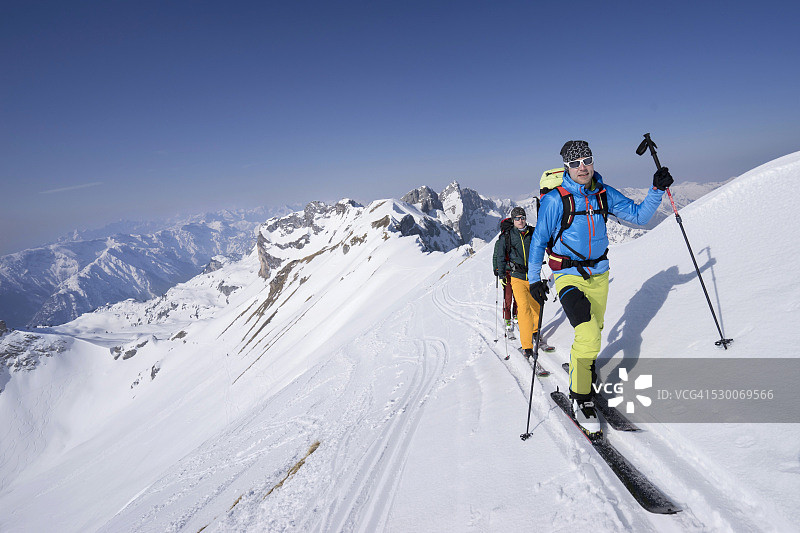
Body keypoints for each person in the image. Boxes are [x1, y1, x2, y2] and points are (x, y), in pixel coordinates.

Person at [528, 140, 673, 434]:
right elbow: (539, 239)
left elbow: (639, 216)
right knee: (589, 333)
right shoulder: (557, 200)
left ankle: (583, 368)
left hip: (599, 274)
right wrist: (533, 279)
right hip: (568, 275)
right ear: (566, 167)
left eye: (587, 160)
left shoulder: (604, 194)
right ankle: (581, 398)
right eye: (575, 163)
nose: (583, 167)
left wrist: (656, 190)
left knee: (595, 329)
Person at [493, 206, 553, 358]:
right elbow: (500, 256)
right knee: (524, 309)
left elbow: (546, 244)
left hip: (533, 277)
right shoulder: (507, 236)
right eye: (517, 218)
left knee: (536, 306)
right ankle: (527, 346)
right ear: (513, 220)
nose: (521, 221)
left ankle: (534, 332)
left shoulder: (533, 233)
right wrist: (501, 276)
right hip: (517, 277)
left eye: (523, 217)